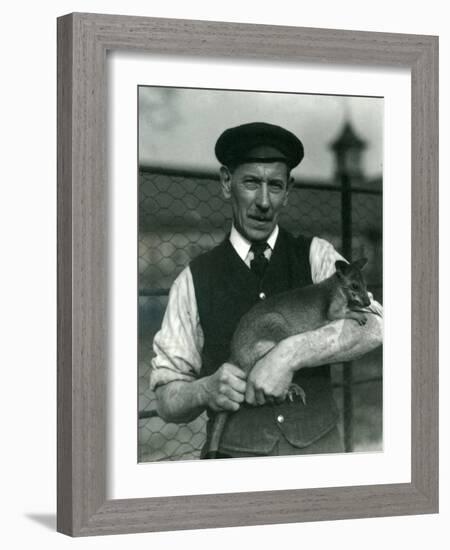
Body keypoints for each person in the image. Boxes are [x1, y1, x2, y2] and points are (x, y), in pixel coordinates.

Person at [150, 121, 383, 459]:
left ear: (288, 191)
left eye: (274, 186)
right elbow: (166, 401)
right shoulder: (192, 279)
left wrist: (288, 355)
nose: (263, 201)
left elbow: (376, 325)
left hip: (319, 461)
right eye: (251, 183)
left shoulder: (318, 255)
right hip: (235, 464)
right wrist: (203, 390)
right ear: (226, 183)